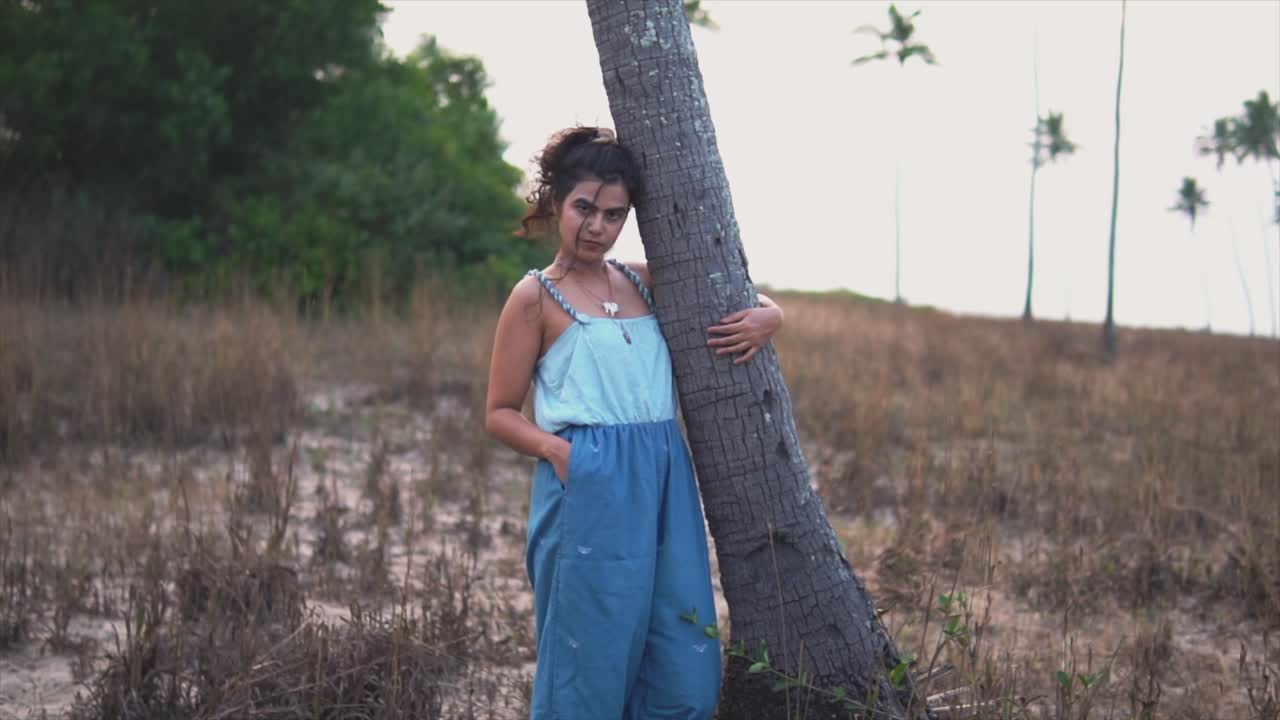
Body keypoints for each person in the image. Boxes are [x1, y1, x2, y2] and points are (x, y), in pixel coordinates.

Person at [484, 126, 783, 720]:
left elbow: (748, 298)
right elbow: (498, 413)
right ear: (556, 203)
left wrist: (770, 318)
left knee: (681, 652)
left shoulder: (643, 279)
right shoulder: (534, 297)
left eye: (614, 214)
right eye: (584, 208)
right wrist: (562, 454)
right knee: (590, 656)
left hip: (665, 479)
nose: (597, 226)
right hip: (587, 484)